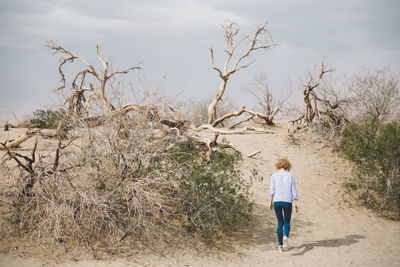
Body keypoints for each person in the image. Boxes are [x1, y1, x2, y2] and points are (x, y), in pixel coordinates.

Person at [269, 157, 300, 253]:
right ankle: (285, 236)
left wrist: (270, 201)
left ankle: (280, 246)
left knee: (279, 222)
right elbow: (293, 190)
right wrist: (296, 202)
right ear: (288, 166)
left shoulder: (274, 175)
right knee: (286, 222)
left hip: (277, 200)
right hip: (287, 201)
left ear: (278, 165)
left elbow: (272, 190)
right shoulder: (290, 176)